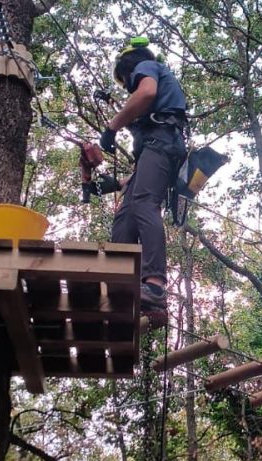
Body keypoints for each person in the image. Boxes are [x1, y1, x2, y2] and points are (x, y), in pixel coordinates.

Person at [99, 38, 187, 313]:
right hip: (157, 147)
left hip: (162, 142)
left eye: (126, 81)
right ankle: (121, 283)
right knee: (126, 215)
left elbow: (146, 93)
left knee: (144, 203)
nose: (129, 86)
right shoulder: (153, 111)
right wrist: (119, 183)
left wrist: (112, 127)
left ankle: (155, 285)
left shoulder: (146, 66)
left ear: (128, 66)